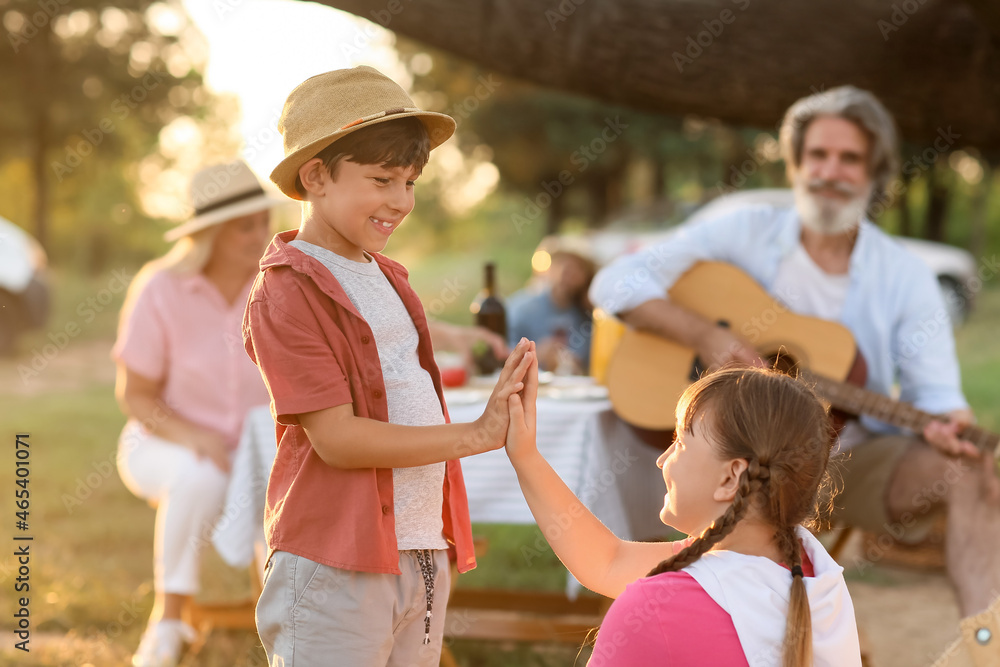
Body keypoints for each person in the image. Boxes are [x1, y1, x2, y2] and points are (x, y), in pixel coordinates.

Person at [589, 85, 1000, 661]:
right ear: (796, 163)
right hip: (734, 460)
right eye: (817, 156)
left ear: (875, 172)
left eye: (849, 159)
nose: (830, 172)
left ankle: (985, 648)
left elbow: (938, 397)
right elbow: (615, 282)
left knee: (972, 468)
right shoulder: (742, 228)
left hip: (845, 463)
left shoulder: (904, 276)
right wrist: (706, 336)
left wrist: (950, 423)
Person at [242, 66, 533, 666]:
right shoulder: (287, 291)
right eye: (381, 180)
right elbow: (340, 440)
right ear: (315, 175)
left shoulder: (387, 276)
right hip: (335, 564)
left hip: (419, 552)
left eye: (409, 181)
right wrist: (477, 434)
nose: (401, 201)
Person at [506, 348, 861, 665]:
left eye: (680, 441)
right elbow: (608, 562)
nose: (663, 460)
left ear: (730, 477)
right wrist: (525, 456)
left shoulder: (656, 609)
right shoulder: (811, 574)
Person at [113, 160, 280, 666]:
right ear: (209, 233)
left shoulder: (281, 284)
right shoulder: (161, 288)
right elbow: (135, 394)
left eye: (262, 221)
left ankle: (291, 619)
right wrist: (195, 436)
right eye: (243, 226)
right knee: (200, 475)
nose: (259, 234)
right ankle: (168, 622)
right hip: (164, 440)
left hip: (259, 446)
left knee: (289, 485)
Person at [507, 235, 597, 374]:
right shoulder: (522, 307)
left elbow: (590, 359)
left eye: (577, 266)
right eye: (561, 262)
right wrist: (531, 355)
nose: (567, 271)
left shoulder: (588, 313)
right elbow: (501, 349)